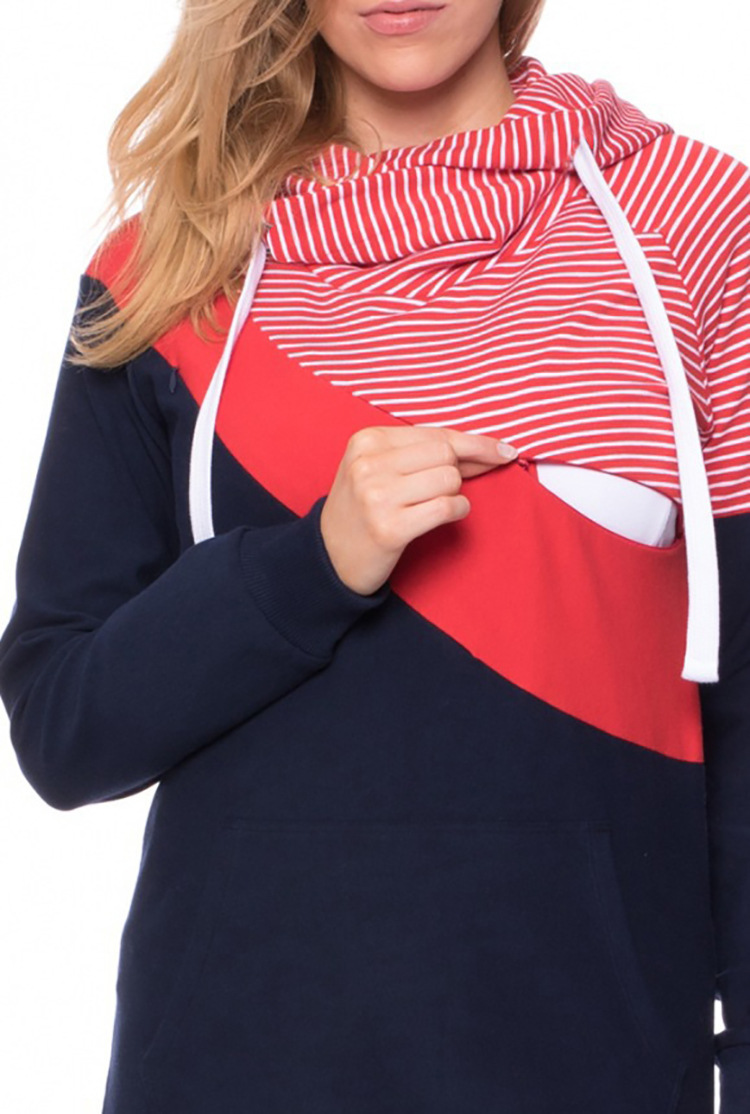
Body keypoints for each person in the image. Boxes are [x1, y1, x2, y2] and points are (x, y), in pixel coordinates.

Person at [0, 0, 748, 1110]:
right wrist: (308, 567)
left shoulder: (699, 231)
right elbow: (64, 729)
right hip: (232, 1065)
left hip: (595, 1061)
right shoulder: (167, 269)